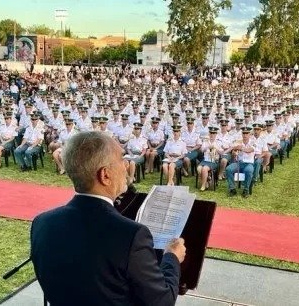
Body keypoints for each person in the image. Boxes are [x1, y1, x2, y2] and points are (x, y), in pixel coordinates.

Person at [30, 131, 185, 306]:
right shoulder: (131, 235)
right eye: (121, 159)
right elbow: (162, 302)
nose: (126, 166)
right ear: (105, 175)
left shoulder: (41, 223)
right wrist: (172, 257)